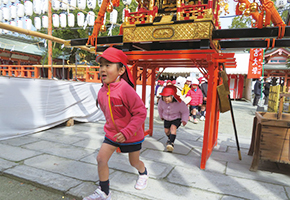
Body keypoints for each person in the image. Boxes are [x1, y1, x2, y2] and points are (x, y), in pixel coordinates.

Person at [83, 47, 148, 200]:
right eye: (101, 65)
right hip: (112, 134)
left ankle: (143, 173)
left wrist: (126, 132)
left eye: (108, 65)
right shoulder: (101, 91)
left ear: (120, 71)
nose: (102, 69)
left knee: (134, 162)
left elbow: (141, 113)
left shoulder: (126, 90)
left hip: (131, 135)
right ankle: (104, 192)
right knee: (101, 159)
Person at [158, 85, 189, 152]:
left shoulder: (179, 103)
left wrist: (184, 120)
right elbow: (160, 109)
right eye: (164, 97)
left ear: (173, 96)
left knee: (173, 128)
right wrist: (161, 116)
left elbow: (185, 111)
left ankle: (171, 143)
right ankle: (170, 138)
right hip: (166, 118)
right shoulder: (161, 101)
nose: (166, 99)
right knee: (166, 131)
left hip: (176, 118)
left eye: (168, 97)